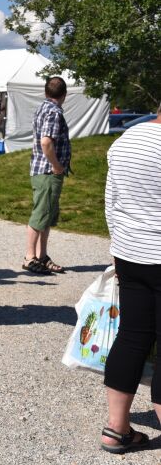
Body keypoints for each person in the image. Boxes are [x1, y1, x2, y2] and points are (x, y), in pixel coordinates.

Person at [99, 106, 161, 454]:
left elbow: (112, 201)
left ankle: (116, 429)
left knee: (132, 336)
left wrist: (117, 245)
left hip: (130, 251)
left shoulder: (125, 140)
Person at [22, 76, 70, 275]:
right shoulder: (53, 112)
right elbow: (46, 142)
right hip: (48, 171)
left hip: (43, 170)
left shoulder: (42, 108)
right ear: (64, 94)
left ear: (46, 92)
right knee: (41, 214)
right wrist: (57, 166)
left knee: (47, 215)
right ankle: (30, 257)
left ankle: (42, 256)